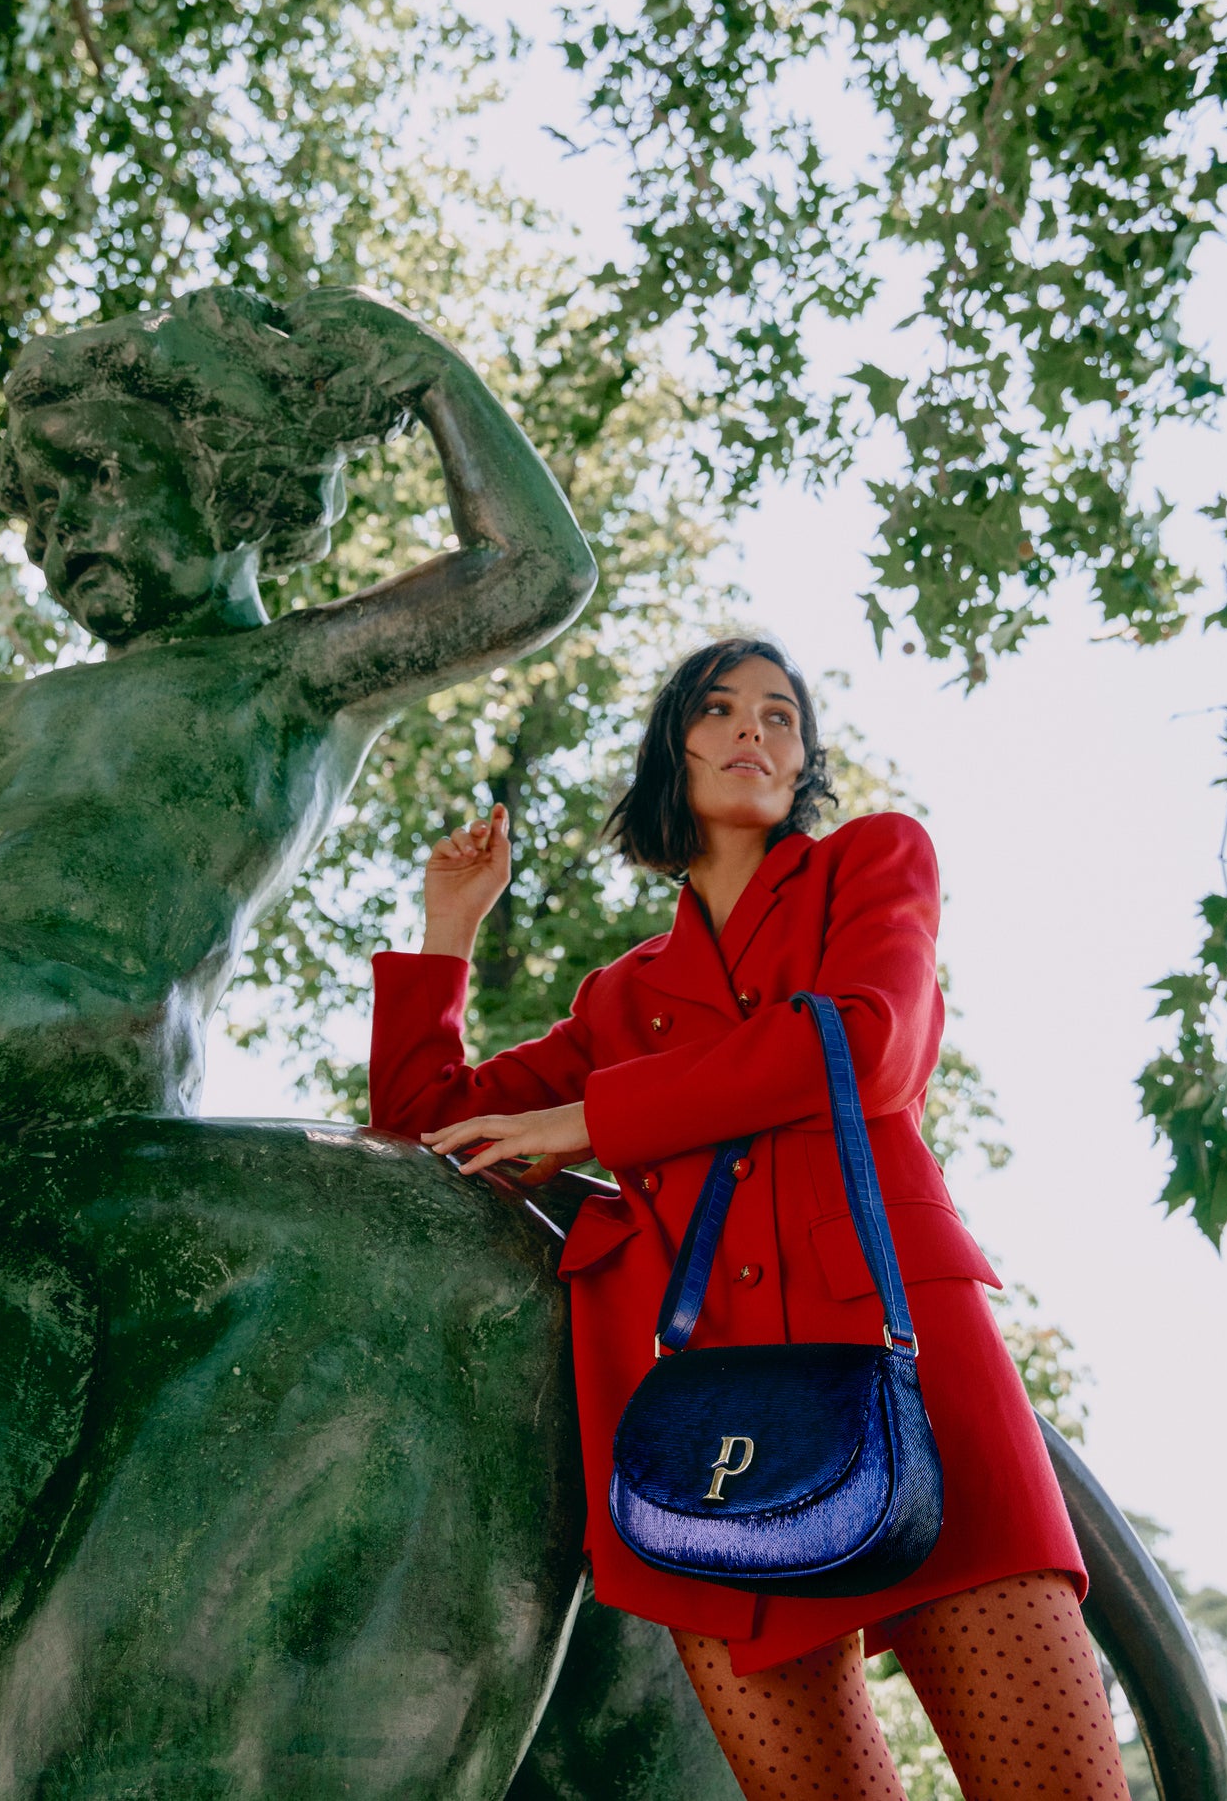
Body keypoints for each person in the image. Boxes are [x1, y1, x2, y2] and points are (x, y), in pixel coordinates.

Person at [0, 282, 595, 1552]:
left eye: (91, 482)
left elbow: (533, 573)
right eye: (38, 517)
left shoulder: (290, 675)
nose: (57, 538)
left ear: (222, 480)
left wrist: (429, 376)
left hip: (82, 1005)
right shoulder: (13, 711)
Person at [369, 637, 1132, 1801]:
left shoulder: (874, 863)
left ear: (802, 760)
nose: (751, 730)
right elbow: (423, 1126)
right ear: (673, 749)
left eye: (780, 716)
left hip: (907, 1360)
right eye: (718, 709)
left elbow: (862, 1046)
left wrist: (597, 1119)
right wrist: (450, 928)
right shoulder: (617, 1000)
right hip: (703, 1427)